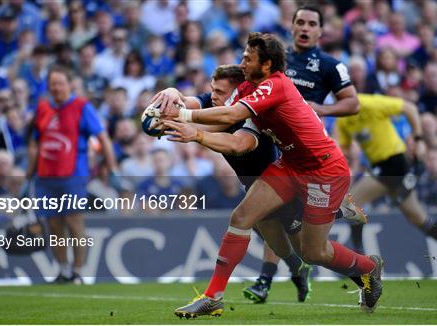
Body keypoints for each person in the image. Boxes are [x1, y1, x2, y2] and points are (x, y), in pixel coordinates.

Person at [161, 32, 383, 317]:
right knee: (241, 218)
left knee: (313, 253)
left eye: (247, 58)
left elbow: (231, 122)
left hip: (323, 171)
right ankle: (213, 297)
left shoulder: (275, 85)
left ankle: (370, 268)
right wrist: (179, 106)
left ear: (266, 65)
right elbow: (222, 119)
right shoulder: (246, 89)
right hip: (291, 165)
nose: (241, 62)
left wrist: (186, 121)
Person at [242, 4, 361, 304]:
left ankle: (267, 279)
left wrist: (322, 108)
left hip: (307, 147)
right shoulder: (274, 60)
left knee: (278, 216)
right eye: (301, 22)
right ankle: (288, 270)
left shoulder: (330, 66)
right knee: (266, 215)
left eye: (312, 24)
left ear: (321, 31)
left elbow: (352, 103)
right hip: (272, 140)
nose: (305, 28)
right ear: (291, 27)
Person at [336, 94, 437, 276]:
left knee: (350, 203)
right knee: (416, 217)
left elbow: (410, 109)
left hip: (395, 162)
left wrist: (418, 138)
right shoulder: (342, 119)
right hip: (380, 166)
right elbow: (344, 147)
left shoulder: (372, 103)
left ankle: (361, 261)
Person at [27, 66, 117, 284]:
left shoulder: (81, 106)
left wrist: (112, 168)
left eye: (60, 83)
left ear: (69, 85)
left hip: (73, 175)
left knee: (74, 222)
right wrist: (30, 171)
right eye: (53, 83)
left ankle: (78, 271)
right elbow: (35, 141)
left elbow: (102, 138)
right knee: (54, 225)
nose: (56, 87)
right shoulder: (42, 108)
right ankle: (63, 269)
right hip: (46, 176)